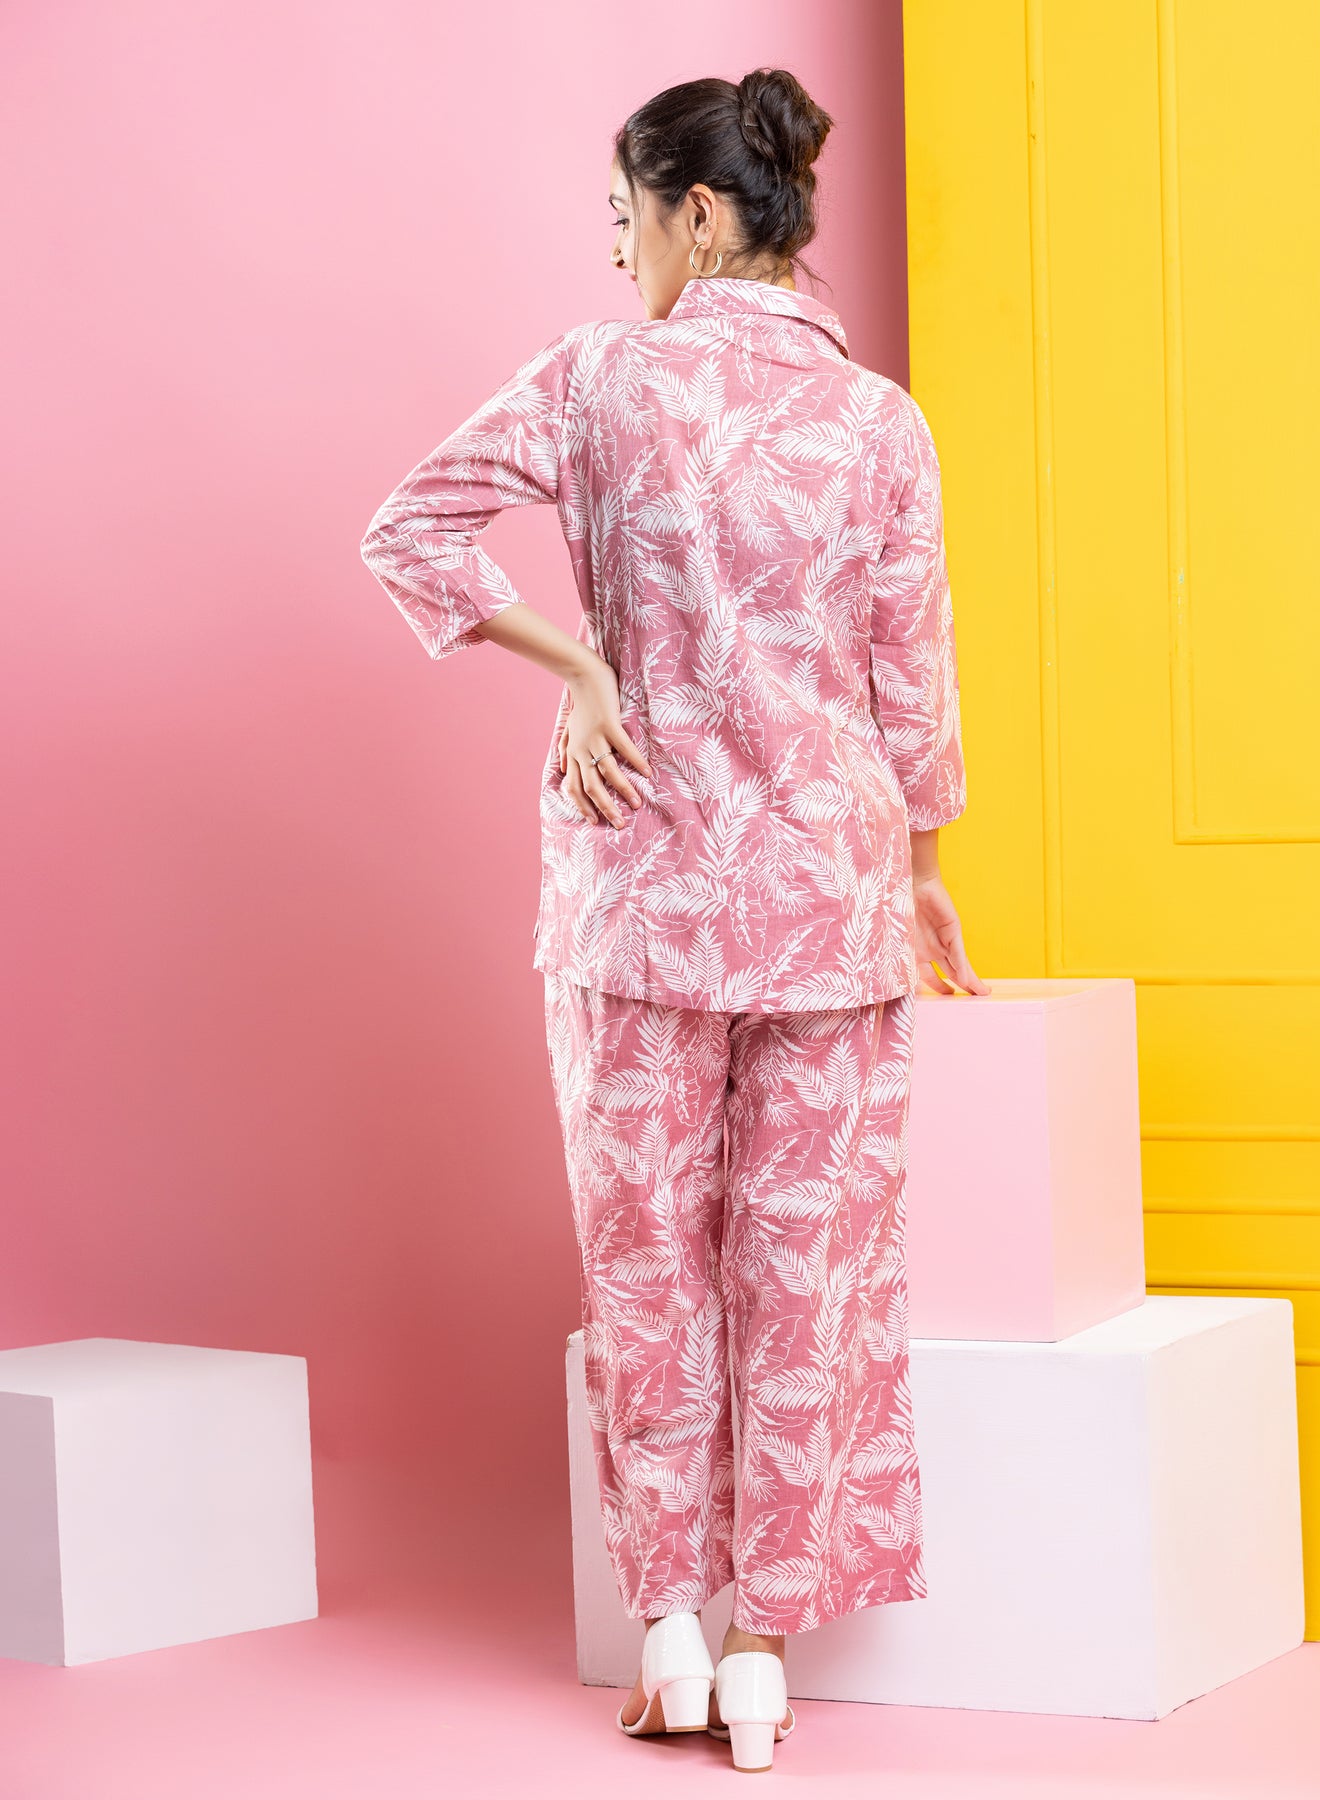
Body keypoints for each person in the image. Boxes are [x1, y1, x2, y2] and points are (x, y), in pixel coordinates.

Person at [359, 66, 989, 1772]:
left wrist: (579, 670)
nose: (617, 250)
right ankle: (768, 1650)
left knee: (648, 1265)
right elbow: (913, 676)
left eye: (625, 217)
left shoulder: (597, 379)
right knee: (810, 1275)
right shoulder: (882, 422)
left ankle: (672, 1634)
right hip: (832, 902)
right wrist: (926, 865)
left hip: (636, 896)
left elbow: (410, 527)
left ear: (697, 215)